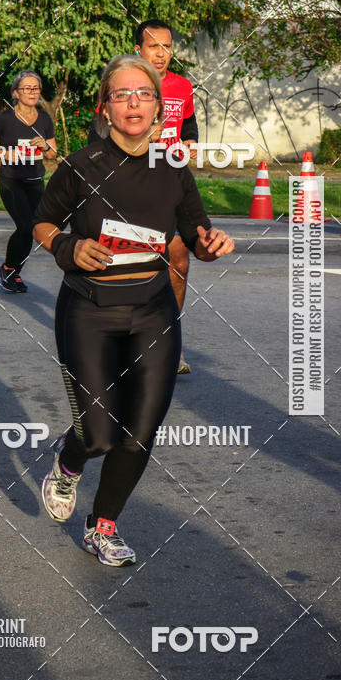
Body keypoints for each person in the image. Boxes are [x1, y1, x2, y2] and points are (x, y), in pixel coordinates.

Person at [34, 55, 234, 566]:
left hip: (152, 312)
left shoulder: (173, 170)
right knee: (99, 435)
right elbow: (43, 223)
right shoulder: (81, 166)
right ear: (104, 107)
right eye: (121, 94)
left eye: (143, 94)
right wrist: (67, 249)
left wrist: (210, 244)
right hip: (88, 311)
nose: (133, 103)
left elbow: (194, 233)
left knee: (140, 431)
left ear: (159, 109)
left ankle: (102, 527)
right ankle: (69, 460)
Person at [89, 20, 199, 374]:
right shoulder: (122, 82)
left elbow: (189, 124)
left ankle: (168, 341)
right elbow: (98, 134)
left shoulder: (183, 86)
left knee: (179, 261)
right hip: (130, 184)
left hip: (170, 182)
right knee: (129, 265)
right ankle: (118, 339)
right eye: (154, 47)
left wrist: (191, 141)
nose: (162, 54)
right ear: (139, 49)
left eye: (167, 47)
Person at [0, 71, 57, 292]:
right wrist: (4, 155)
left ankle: (12, 272)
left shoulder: (44, 119)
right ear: (16, 93)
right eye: (27, 88)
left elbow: (53, 153)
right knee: (25, 225)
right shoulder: (5, 118)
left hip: (35, 181)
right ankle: (9, 269)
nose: (32, 92)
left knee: (33, 228)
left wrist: (45, 146)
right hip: (11, 181)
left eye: (36, 88)